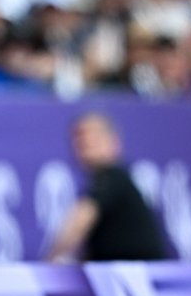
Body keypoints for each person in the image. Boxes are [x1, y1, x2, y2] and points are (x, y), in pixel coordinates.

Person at [45, 112, 166, 262]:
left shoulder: (112, 177)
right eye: (79, 137)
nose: (85, 142)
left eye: (93, 137)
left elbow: (81, 220)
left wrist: (50, 260)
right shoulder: (103, 182)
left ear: (114, 142)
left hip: (139, 270)